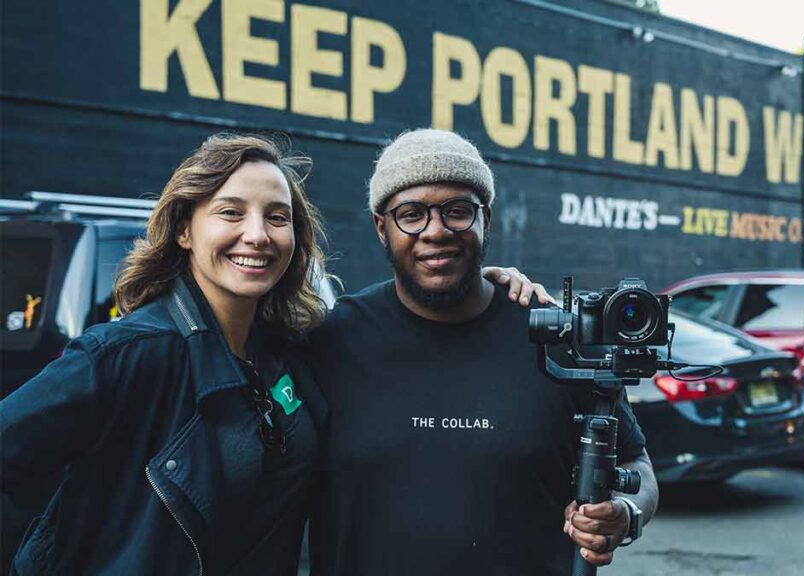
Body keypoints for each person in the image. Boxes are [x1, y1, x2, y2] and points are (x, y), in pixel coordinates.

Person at [0, 132, 545, 575]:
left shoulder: (292, 349)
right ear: (186, 229)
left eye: (277, 217)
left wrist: (490, 287)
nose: (256, 235)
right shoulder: (127, 354)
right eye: (230, 213)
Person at [308, 129, 658, 575]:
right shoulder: (331, 340)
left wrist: (625, 513)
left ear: (485, 220)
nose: (435, 231)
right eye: (411, 214)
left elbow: (637, 463)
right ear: (382, 227)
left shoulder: (555, 339)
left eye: (457, 211)